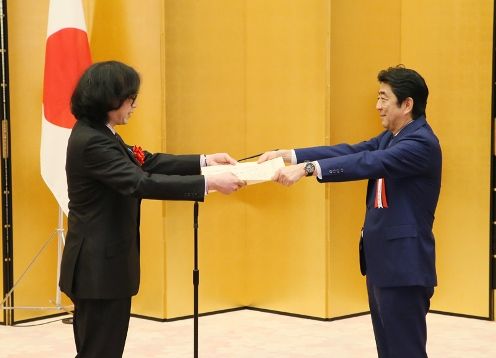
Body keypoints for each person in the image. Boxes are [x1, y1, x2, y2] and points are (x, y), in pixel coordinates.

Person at [59, 60, 246, 358]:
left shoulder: (100, 132)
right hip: (98, 268)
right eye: (131, 99)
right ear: (110, 99)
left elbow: (146, 160)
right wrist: (208, 184)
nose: (134, 105)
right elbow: (140, 182)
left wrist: (205, 161)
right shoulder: (92, 141)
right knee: (99, 351)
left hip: (104, 266)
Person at [259, 65, 441, 358]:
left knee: (405, 351)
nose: (377, 106)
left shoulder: (421, 143)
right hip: (383, 263)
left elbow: (367, 163)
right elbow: (351, 152)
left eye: (384, 98)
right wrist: (290, 155)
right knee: (388, 350)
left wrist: (307, 170)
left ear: (407, 104)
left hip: (404, 267)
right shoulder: (392, 137)